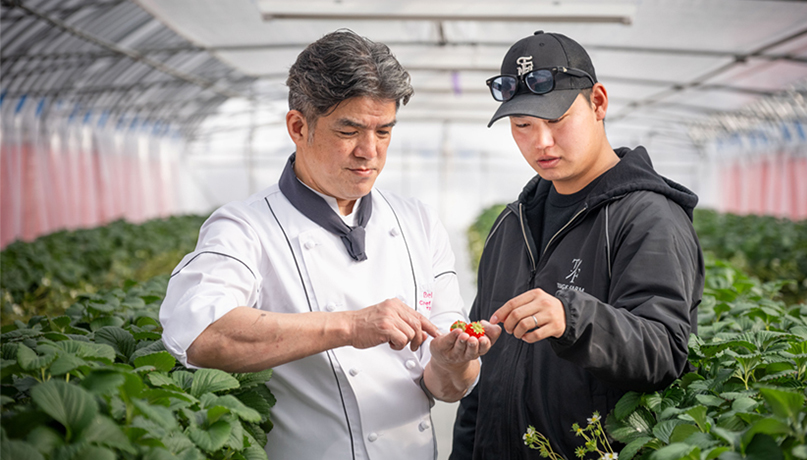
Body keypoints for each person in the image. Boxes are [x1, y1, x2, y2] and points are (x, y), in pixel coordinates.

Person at [159, 29, 499, 460]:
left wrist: (454, 360)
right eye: (349, 130)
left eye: (384, 132)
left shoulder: (418, 224)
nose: (369, 152)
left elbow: (446, 387)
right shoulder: (245, 227)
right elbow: (199, 334)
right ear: (299, 127)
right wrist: (350, 326)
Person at [450, 30, 704, 459]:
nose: (541, 142)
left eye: (557, 120)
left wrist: (572, 318)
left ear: (598, 103)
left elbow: (666, 353)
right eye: (523, 126)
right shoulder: (512, 225)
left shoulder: (648, 219)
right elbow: (485, 373)